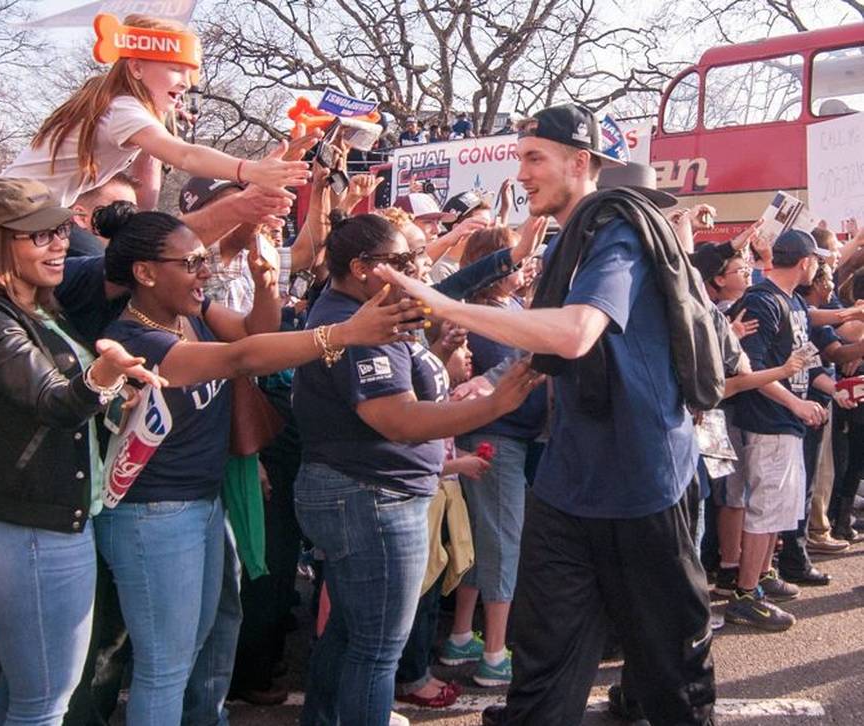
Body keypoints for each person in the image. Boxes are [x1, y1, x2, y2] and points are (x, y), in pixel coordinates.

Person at [376, 103, 720, 725]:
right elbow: (545, 347)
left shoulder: (615, 229)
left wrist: (442, 305)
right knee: (545, 662)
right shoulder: (573, 240)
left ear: (580, 162)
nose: (522, 173)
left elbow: (575, 333)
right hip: (569, 482)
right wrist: (489, 384)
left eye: (534, 158)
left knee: (671, 668)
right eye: (521, 157)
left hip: (641, 486)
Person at [92, 200, 422, 726]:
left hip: (203, 503)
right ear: (145, 273)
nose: (204, 273)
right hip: (154, 514)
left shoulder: (189, 313)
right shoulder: (135, 340)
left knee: (211, 638)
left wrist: (266, 285)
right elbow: (240, 358)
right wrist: (342, 333)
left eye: (204, 260)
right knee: (165, 667)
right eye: (191, 263)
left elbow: (251, 333)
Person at [290, 212, 540, 725]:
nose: (415, 270)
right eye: (402, 261)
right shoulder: (358, 325)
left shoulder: (374, 307)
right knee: (377, 649)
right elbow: (397, 419)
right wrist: (493, 405)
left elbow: (446, 292)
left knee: (351, 634)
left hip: (370, 492)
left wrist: (508, 258)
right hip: (371, 497)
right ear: (361, 267)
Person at [0, 178, 164, 725]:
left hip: (49, 518)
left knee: (29, 692)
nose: (60, 243)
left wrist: (115, 390)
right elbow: (55, 402)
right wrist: (104, 375)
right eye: (40, 234)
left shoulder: (41, 307)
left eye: (61, 230)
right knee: (43, 702)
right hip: (25, 523)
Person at [3, 13, 307, 208]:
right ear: (136, 68)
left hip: (21, 208)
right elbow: (185, 156)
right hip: (10, 212)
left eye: (190, 73)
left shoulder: (118, 104)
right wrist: (250, 170)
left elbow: (148, 174)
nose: (186, 83)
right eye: (175, 69)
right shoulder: (123, 110)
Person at [440, 226, 547, 689]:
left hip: (509, 437)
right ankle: (494, 653)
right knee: (502, 540)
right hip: (493, 438)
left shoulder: (510, 308)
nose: (523, 265)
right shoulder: (482, 319)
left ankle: (462, 634)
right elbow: (518, 365)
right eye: (512, 258)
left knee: (483, 538)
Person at [723, 229, 837, 632]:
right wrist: (795, 403)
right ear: (805, 262)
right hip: (768, 421)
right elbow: (749, 370)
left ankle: (763, 575)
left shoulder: (794, 302)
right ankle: (745, 594)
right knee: (766, 509)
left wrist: (836, 391)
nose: (817, 266)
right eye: (815, 260)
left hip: (788, 422)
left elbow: (808, 362)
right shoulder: (763, 301)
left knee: (780, 510)